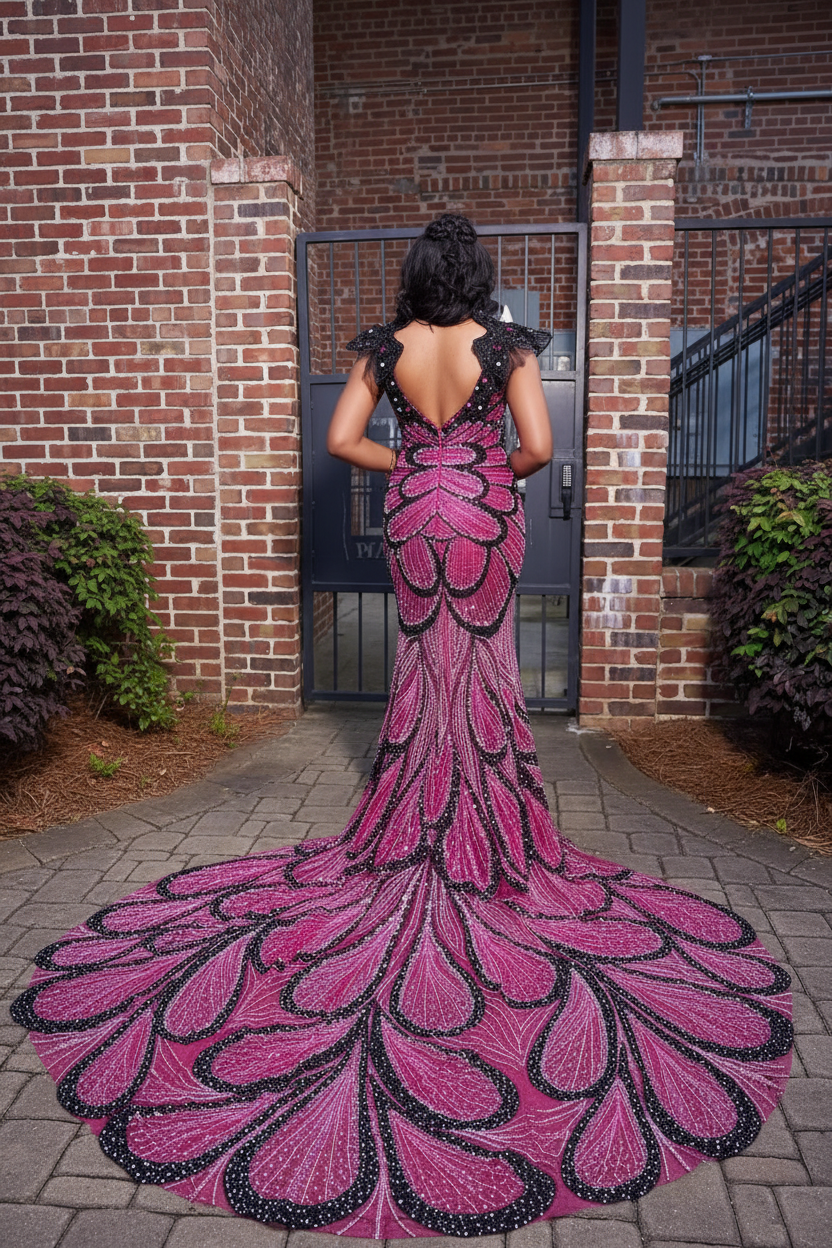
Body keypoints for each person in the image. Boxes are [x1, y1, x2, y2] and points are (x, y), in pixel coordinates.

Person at [11, 214, 792, 1239]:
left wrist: (416, 469)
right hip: (480, 518)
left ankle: (413, 818)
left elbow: (341, 443)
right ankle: (487, 830)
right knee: (485, 674)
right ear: (478, 276)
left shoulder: (385, 350)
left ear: (417, 275)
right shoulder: (506, 346)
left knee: (420, 674)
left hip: (417, 518)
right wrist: (473, 472)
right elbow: (540, 450)